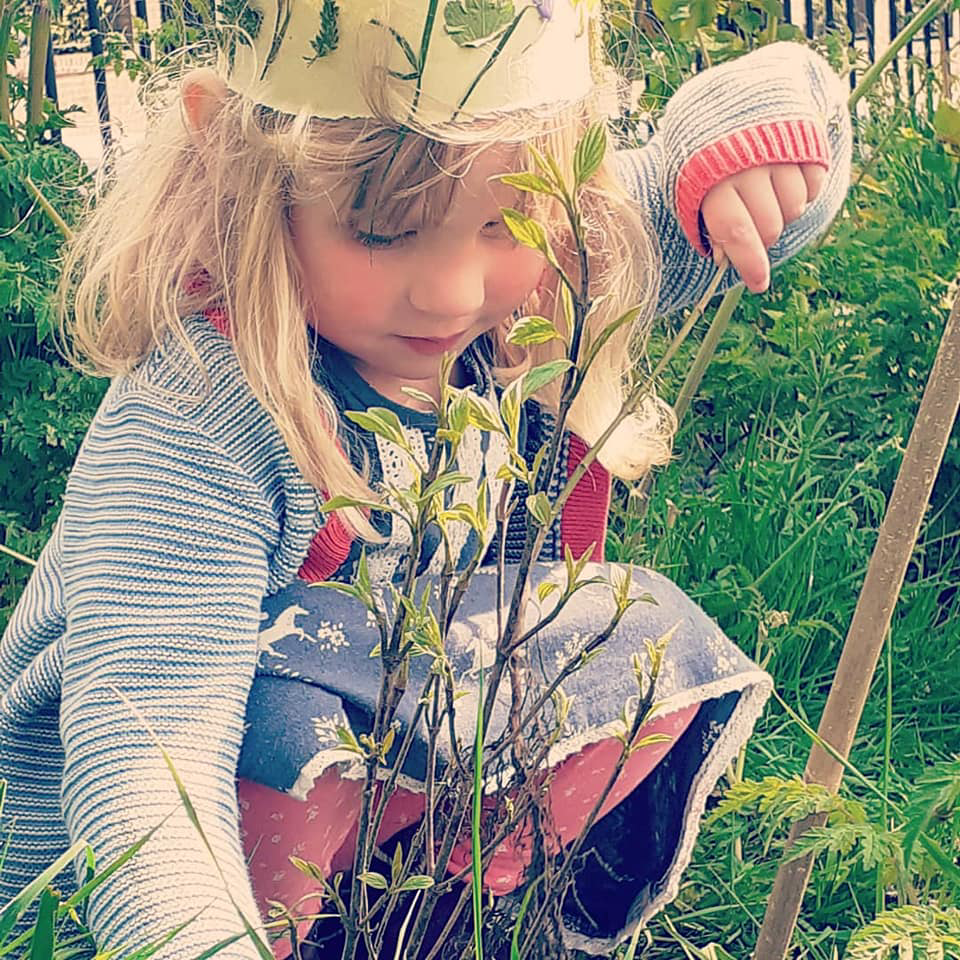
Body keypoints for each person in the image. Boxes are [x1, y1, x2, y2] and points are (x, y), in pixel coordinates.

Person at [0, 0, 852, 955]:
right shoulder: (203, 415)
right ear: (237, 167)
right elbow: (149, 761)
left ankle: (429, 917)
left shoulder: (536, 283)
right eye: (379, 229)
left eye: (506, 222)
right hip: (124, 890)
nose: (451, 292)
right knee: (286, 702)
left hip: (349, 803)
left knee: (636, 635)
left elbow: (791, 147)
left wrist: (749, 145)